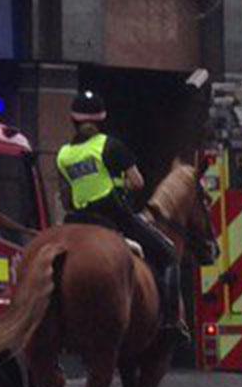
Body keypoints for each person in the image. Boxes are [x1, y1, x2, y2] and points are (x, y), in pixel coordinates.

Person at [54, 91, 181, 332]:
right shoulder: (111, 146)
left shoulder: (63, 155)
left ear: (74, 120)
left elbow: (66, 194)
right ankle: (171, 321)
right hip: (112, 217)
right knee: (168, 253)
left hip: (77, 221)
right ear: (102, 120)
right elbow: (137, 182)